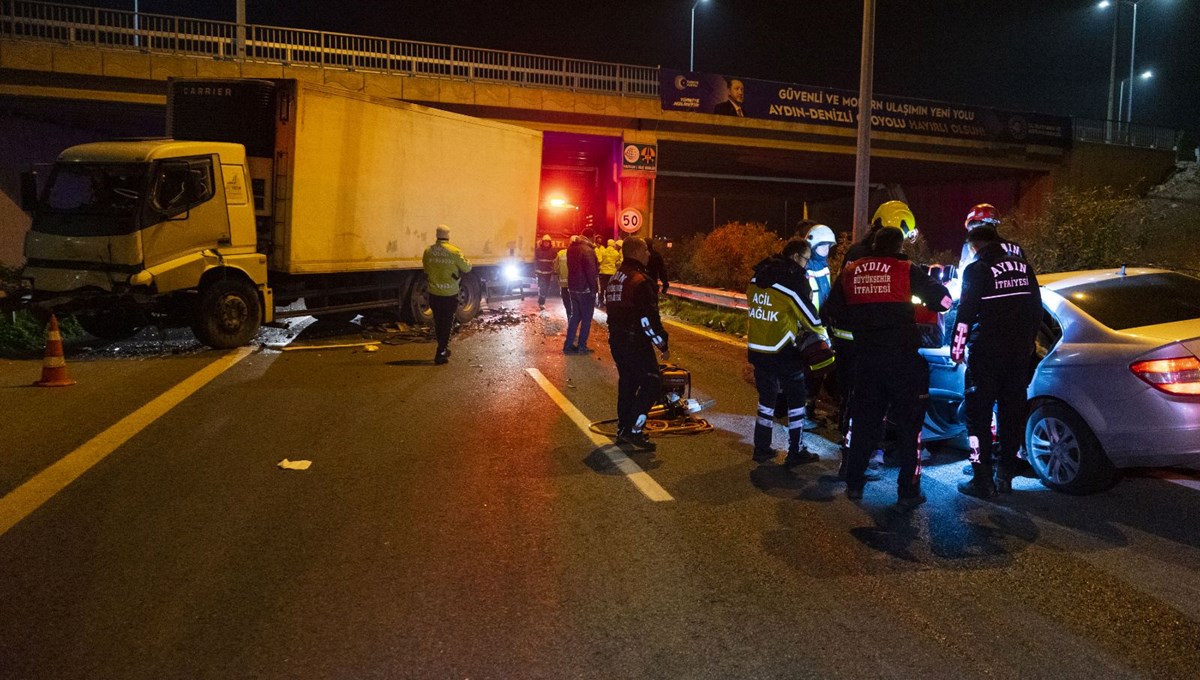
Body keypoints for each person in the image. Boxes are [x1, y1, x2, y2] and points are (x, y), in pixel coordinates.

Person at [824, 226, 951, 509]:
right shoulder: (905, 269)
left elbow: (829, 311)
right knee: (910, 428)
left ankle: (854, 485)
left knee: (864, 424)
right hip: (903, 361)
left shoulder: (851, 270)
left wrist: (860, 323)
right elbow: (943, 301)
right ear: (897, 246)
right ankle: (908, 491)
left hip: (866, 359)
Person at [827, 201, 918, 479]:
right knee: (871, 402)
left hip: (850, 339)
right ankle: (866, 454)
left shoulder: (855, 255)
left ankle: (854, 457)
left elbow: (836, 300)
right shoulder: (889, 261)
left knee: (857, 401)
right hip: (868, 342)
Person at [952, 225, 1042, 498]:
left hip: (986, 354)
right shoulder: (1023, 267)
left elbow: (965, 314)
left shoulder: (977, 269)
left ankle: (981, 479)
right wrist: (1027, 344)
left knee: (977, 417)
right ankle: (1005, 475)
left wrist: (956, 350)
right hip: (1018, 354)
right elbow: (1035, 309)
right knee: (1010, 414)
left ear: (975, 245)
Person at [746, 239, 827, 467]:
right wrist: (823, 335)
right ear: (794, 257)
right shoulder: (792, 281)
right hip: (783, 350)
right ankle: (796, 450)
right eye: (806, 259)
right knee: (796, 399)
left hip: (758, 349)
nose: (807, 264)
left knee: (766, 401)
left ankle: (761, 448)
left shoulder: (759, 275)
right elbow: (811, 319)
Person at [604, 237, 670, 452]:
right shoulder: (640, 280)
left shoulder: (616, 277)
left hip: (617, 340)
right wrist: (662, 344)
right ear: (638, 251)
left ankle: (624, 429)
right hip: (635, 342)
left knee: (629, 383)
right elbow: (648, 319)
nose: (649, 254)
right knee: (652, 381)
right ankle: (634, 429)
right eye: (646, 250)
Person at [422, 224, 472, 365]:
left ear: (436, 235)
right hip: (450, 293)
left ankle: (442, 347)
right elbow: (466, 268)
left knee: (438, 322)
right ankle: (441, 351)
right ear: (448, 235)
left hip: (434, 293)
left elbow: (426, 269)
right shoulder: (454, 251)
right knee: (447, 322)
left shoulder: (428, 251)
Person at [564, 228, 599, 354]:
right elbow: (591, 272)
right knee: (586, 319)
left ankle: (568, 345)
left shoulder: (571, 248)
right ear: (592, 236)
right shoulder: (588, 250)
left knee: (575, 317)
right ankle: (582, 346)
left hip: (573, 287)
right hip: (585, 289)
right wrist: (594, 289)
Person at [534, 234, 557, 310]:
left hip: (548, 272)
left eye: (548, 242)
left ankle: (542, 300)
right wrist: (535, 270)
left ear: (550, 243)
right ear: (542, 242)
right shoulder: (538, 250)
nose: (546, 243)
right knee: (542, 287)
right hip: (540, 272)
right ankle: (541, 303)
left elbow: (555, 261)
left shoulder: (553, 251)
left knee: (546, 288)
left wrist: (554, 270)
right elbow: (535, 261)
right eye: (545, 242)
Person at [554, 237, 574, 319]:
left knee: (566, 300)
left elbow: (556, 267)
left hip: (564, 283)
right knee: (574, 300)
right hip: (575, 284)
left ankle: (569, 314)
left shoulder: (561, 253)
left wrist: (560, 275)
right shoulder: (581, 253)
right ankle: (574, 315)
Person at [597, 238, 620, 308]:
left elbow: (599, 260)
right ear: (613, 245)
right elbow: (617, 262)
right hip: (612, 273)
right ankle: (608, 302)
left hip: (603, 272)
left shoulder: (603, 251)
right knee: (609, 288)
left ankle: (600, 302)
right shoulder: (616, 253)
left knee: (601, 288)